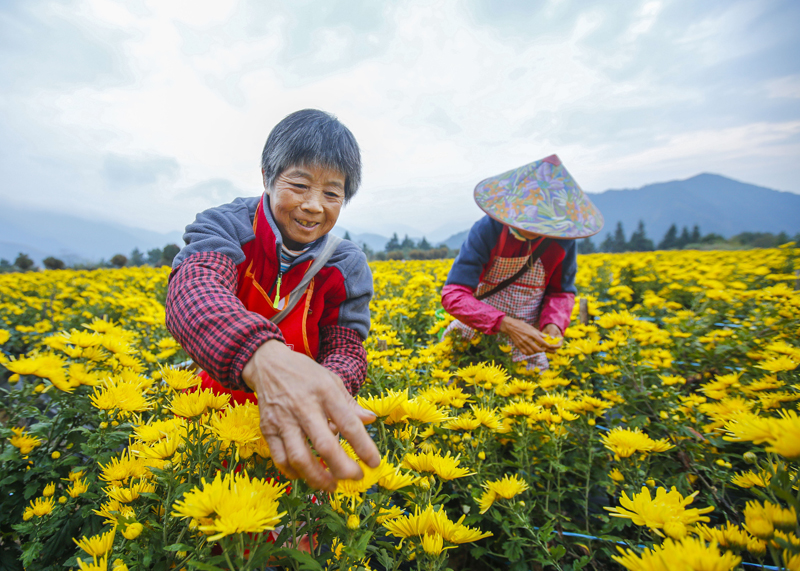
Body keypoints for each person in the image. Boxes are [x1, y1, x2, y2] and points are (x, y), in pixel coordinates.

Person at [165, 109, 380, 492]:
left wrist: (327, 389)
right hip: (209, 415)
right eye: (299, 185)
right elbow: (194, 290)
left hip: (295, 419)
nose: (315, 205)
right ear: (267, 177)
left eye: (332, 193)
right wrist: (262, 356)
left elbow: (346, 347)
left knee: (286, 535)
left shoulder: (345, 264)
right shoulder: (226, 226)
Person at [441, 154, 603, 370]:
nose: (537, 228)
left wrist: (554, 324)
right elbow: (454, 294)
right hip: (476, 333)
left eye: (546, 221)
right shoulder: (488, 229)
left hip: (527, 342)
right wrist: (504, 323)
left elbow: (561, 292)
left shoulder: (563, 239)